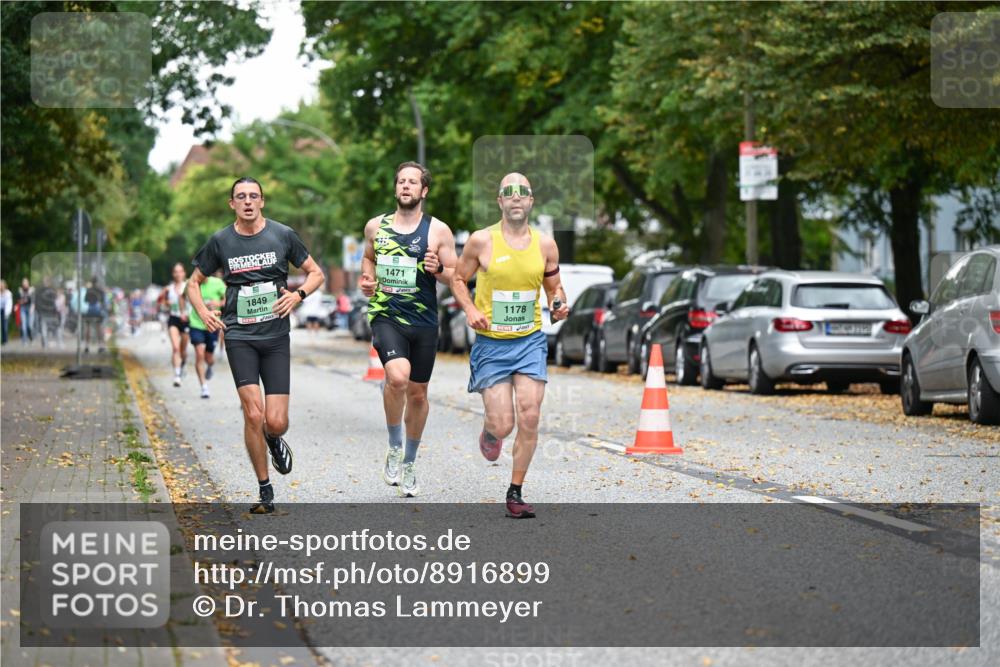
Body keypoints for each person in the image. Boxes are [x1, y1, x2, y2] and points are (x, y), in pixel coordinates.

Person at [188, 176, 324, 514]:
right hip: (239, 336)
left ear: (262, 201)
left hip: (275, 337)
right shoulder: (220, 241)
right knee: (253, 413)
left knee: (275, 421)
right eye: (241, 197)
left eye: (253, 196)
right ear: (232, 203)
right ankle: (265, 490)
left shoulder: (283, 234)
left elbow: (316, 273)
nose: (247, 201)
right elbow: (193, 283)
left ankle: (273, 438)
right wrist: (203, 312)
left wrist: (298, 295)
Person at [451, 173, 569, 519]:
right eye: (509, 192)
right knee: (504, 424)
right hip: (491, 345)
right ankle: (492, 431)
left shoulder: (545, 245)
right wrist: (470, 309)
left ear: (531, 201)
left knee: (529, 415)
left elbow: (555, 288)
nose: (516, 197)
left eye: (522, 192)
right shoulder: (481, 241)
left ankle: (515, 491)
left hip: (530, 341)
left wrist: (559, 304)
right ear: (500, 201)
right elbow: (458, 279)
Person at [359, 161, 457, 498]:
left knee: (418, 394)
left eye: (412, 182)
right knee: (397, 378)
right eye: (401, 181)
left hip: (424, 321)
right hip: (387, 315)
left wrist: (438, 268)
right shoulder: (376, 226)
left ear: (423, 190)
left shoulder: (438, 231)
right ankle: (394, 445)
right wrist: (367, 278)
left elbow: (455, 275)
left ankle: (410, 463)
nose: (405, 186)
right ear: (395, 188)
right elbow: (368, 258)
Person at [188, 271, 226, 398]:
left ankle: (210, 365)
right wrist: (182, 311)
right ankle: (204, 387)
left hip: (212, 324)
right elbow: (182, 296)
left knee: (208, 357)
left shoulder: (218, 283)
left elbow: (229, 298)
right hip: (196, 324)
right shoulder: (191, 283)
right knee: (199, 354)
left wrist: (218, 303)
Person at [161, 264, 190, 384]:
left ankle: (183, 363)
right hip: (173, 318)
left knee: (183, 350)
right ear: (173, 274)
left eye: (180, 271)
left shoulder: (189, 286)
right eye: (176, 272)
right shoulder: (168, 288)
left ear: (184, 273)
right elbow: (162, 301)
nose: (178, 274)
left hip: (186, 319)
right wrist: (166, 302)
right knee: (175, 348)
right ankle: (177, 375)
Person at [83, 277, 106, 354]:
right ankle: (100, 346)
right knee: (99, 327)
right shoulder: (100, 290)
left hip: (89, 311)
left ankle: (86, 346)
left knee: (87, 327)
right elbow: (103, 301)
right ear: (97, 282)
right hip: (97, 311)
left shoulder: (88, 290)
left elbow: (85, 300)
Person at [18, 278, 34, 345]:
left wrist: (32, 308)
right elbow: (19, 301)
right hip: (23, 309)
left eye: (25, 283)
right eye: (23, 283)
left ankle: (31, 338)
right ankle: (24, 341)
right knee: (24, 325)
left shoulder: (31, 290)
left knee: (29, 326)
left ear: (28, 284)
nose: (24, 285)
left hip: (30, 308)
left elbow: (33, 301)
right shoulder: (20, 291)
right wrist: (23, 300)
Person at [1, 280, 12, 346]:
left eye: (2, 285)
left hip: (6, 311)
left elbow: (9, 304)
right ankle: (3, 340)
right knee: (1, 326)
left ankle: (5, 340)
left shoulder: (8, 293)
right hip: (1, 310)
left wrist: (7, 313)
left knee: (5, 326)